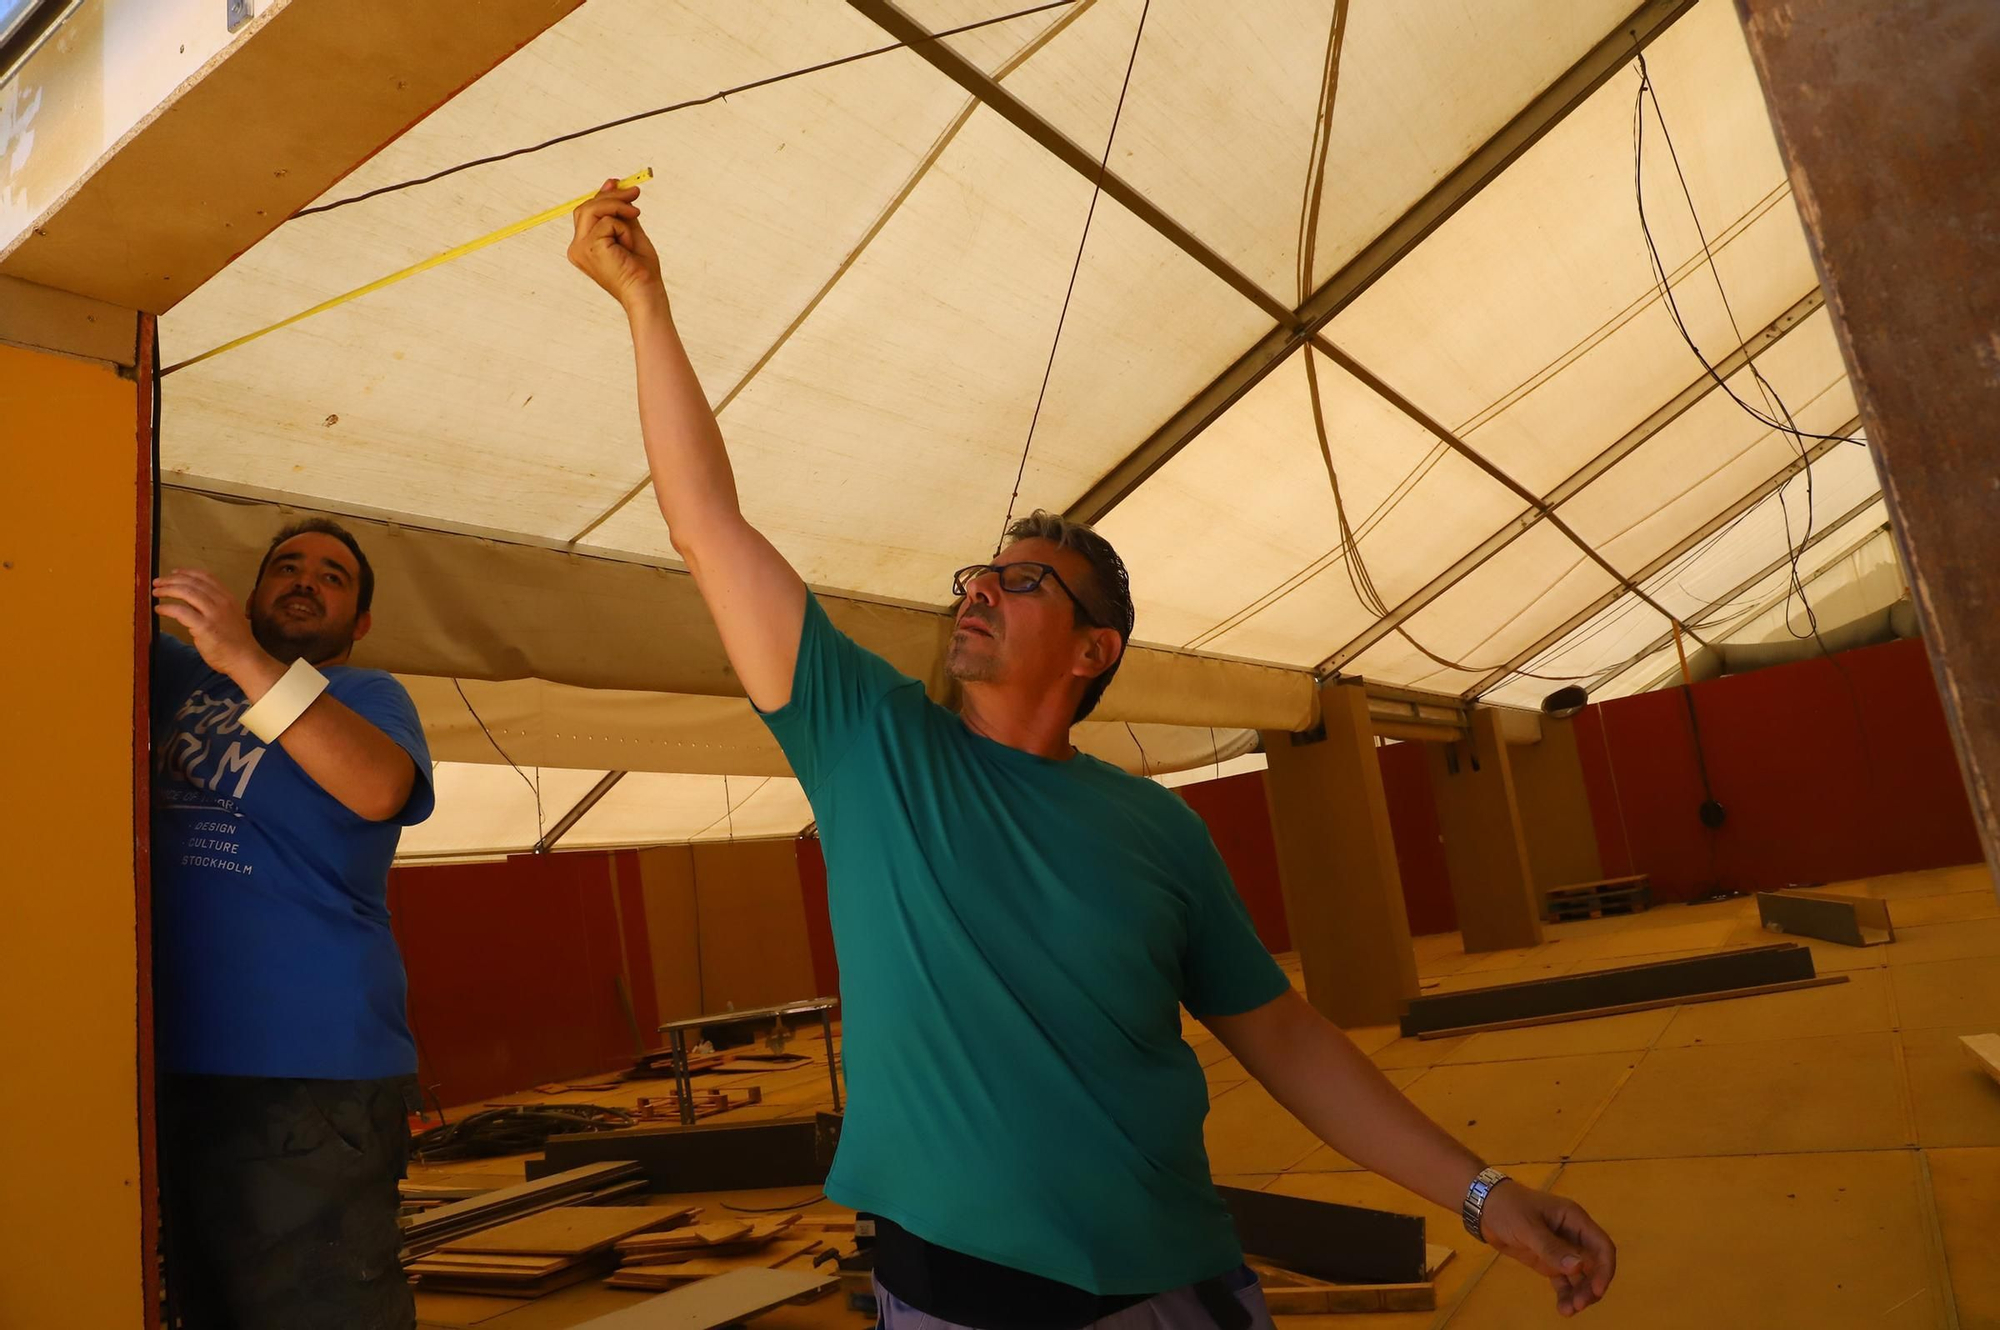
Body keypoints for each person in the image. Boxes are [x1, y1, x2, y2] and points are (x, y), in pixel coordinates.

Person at [568, 179, 1616, 1328]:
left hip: (1182, 1282)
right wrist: (643, 301)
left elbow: (1284, 1038)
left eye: (1019, 583)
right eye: (975, 574)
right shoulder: (868, 744)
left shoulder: (1158, 827)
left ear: (1091, 648)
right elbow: (705, 525)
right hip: (959, 1295)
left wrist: (1480, 1192)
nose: (975, 589)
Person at [150, 518, 435, 1330]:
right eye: (287, 566)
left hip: (309, 1074)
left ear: (361, 623)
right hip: (179, 1062)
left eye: (335, 577)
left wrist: (244, 655)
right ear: (252, 592)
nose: (307, 580)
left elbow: (380, 788)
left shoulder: (366, 696)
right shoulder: (182, 683)